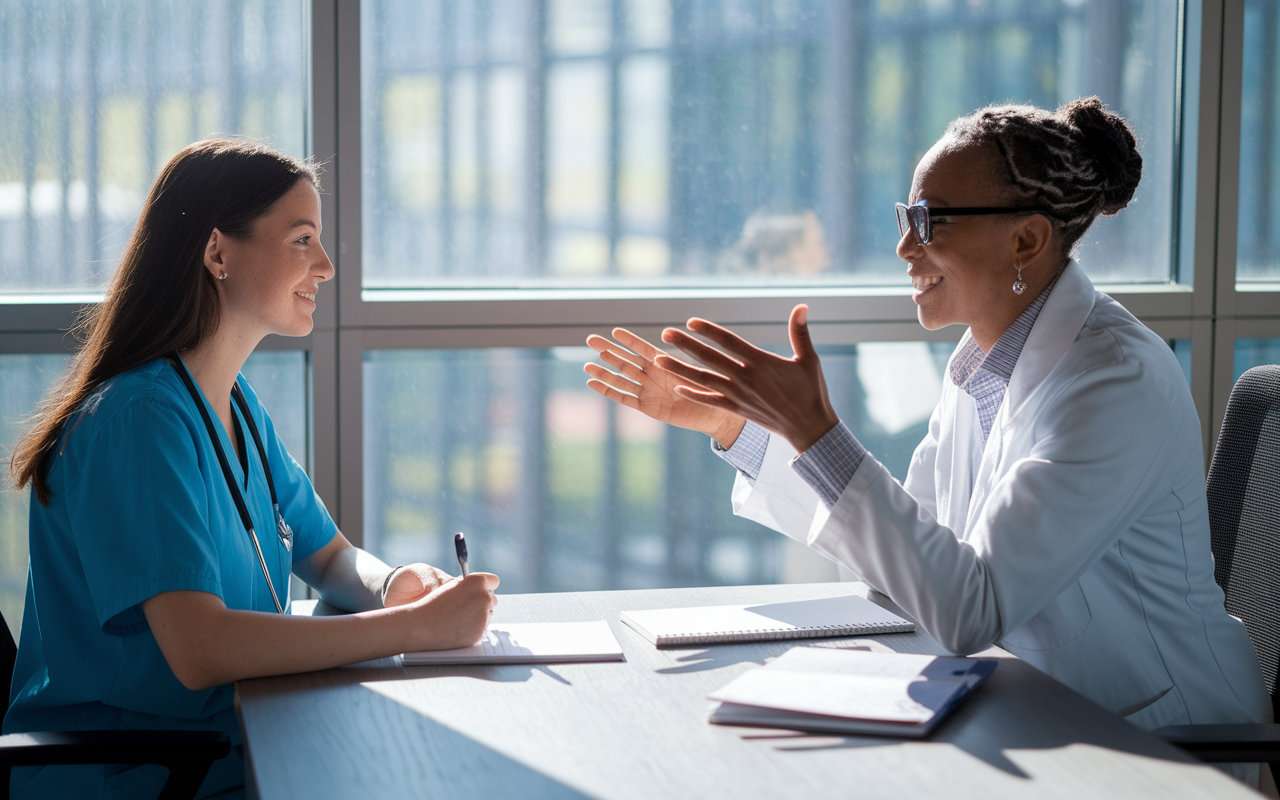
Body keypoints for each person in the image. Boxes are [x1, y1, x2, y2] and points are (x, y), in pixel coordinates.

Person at [585, 99, 1269, 776]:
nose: (904, 247)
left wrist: (817, 430)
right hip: (1029, 713)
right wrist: (741, 429)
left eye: (928, 220)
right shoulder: (981, 360)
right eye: (905, 217)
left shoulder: (1114, 382)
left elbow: (972, 609)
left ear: (1026, 240)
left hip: (1157, 746)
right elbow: (900, 568)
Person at [4, 139, 500, 799]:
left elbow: (326, 558)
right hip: (141, 775)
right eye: (302, 240)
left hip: (238, 744)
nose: (325, 266)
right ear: (217, 253)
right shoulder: (139, 421)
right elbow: (200, 648)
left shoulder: (233, 404)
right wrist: (413, 630)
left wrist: (392, 585)